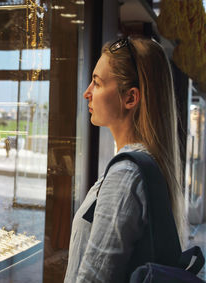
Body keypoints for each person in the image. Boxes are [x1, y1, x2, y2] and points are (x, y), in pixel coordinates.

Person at [64, 37, 187, 283]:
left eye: (97, 83)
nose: (87, 92)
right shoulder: (142, 164)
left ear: (130, 98)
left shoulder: (126, 174)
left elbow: (94, 278)